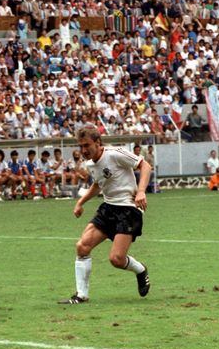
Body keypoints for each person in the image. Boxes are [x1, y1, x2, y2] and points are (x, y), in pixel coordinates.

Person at [59, 126, 152, 304]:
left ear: (98, 142)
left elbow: (145, 165)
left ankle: (140, 270)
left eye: (87, 146)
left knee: (116, 259)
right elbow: (98, 184)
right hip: (108, 208)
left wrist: (141, 191)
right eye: (81, 147)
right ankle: (81, 295)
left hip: (128, 210)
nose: (84, 151)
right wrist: (80, 202)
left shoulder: (115, 154)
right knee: (82, 247)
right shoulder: (90, 163)